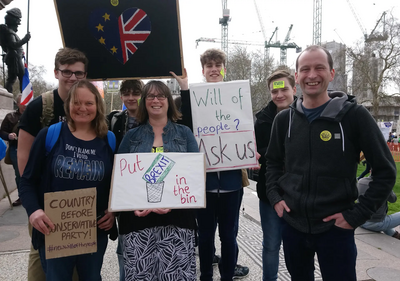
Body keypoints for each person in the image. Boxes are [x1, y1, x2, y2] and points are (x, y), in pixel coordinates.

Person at [265, 45, 396, 281]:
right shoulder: (284, 119)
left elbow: (386, 171)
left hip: (336, 229)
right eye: (305, 69)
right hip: (293, 225)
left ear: (332, 74)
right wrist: (275, 197)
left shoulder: (354, 116)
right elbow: (272, 162)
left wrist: (357, 215)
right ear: (297, 76)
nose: (312, 75)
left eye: (319, 68)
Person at [19, 79, 116, 280]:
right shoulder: (51, 134)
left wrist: (112, 210)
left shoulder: (109, 139)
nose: (82, 108)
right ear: (68, 105)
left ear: (98, 106)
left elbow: (118, 184)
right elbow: (27, 180)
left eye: (89, 103)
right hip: (54, 229)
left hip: (94, 230)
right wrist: (34, 211)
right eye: (76, 103)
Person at [170, 48, 249, 281]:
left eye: (217, 65)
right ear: (203, 71)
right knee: (204, 236)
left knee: (228, 235)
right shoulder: (195, 96)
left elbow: (244, 128)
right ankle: (205, 276)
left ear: (223, 69)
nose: (214, 69)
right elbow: (186, 122)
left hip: (232, 182)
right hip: (203, 183)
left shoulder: (236, 95)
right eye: (209, 66)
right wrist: (184, 89)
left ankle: (227, 276)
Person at [18, 47, 88, 281]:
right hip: (44, 200)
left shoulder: (89, 108)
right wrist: (33, 204)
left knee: (77, 263)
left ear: (85, 75)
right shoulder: (40, 107)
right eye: (67, 72)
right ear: (56, 72)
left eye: (78, 73)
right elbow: (23, 160)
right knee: (41, 257)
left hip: (78, 204)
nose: (72, 78)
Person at [117, 80, 199, 280]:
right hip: (138, 220)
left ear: (168, 101)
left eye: (161, 96)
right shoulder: (131, 136)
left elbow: (195, 174)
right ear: (144, 102)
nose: (156, 100)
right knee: (141, 275)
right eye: (151, 96)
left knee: (175, 276)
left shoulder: (184, 133)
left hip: (177, 220)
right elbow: (120, 178)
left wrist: (174, 200)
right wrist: (131, 205)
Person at [255, 70, 296, 281]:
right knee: (271, 245)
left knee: (298, 247)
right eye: (274, 91)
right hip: (269, 194)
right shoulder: (261, 120)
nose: (279, 95)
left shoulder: (308, 115)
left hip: (300, 194)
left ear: (294, 89)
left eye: (284, 89)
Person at [107, 79, 144, 281]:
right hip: (123, 190)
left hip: (147, 187)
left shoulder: (152, 118)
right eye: (127, 93)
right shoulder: (113, 120)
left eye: (136, 93)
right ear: (121, 96)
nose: (131, 98)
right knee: (125, 242)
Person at [0, 94, 25, 206]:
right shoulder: (10, 117)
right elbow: (2, 132)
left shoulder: (34, 116)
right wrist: (8, 135)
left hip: (32, 148)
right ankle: (22, 196)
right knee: (19, 173)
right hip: (16, 148)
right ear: (18, 104)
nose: (25, 105)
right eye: (23, 102)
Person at [0, 8, 31, 93]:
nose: (18, 25)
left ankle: (19, 95)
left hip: (16, 57)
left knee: (17, 77)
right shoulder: (10, 33)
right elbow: (13, 45)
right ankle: (11, 95)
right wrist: (25, 39)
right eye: (17, 23)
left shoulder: (10, 32)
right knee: (14, 78)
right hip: (14, 57)